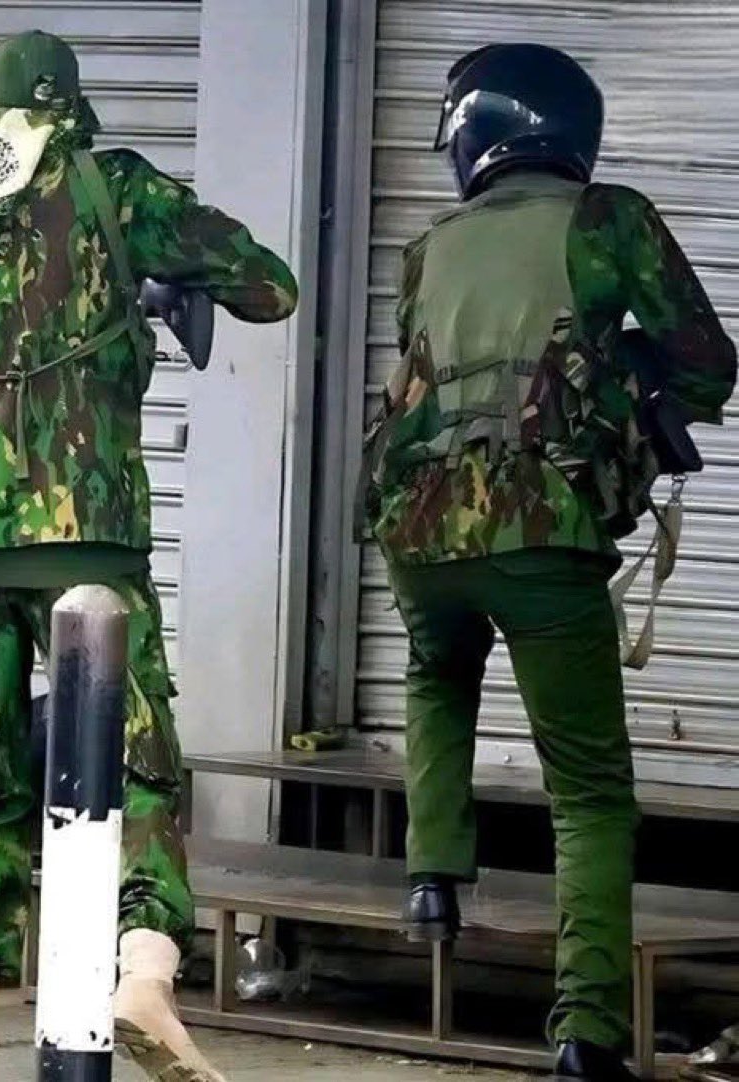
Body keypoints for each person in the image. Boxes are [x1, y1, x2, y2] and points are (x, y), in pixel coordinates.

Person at [0, 31, 297, 1082]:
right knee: (139, 759)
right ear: (69, 103)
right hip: (85, 530)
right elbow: (271, 286)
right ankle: (145, 975)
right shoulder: (115, 186)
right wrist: (149, 288)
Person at [358, 44, 736, 1082]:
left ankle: (432, 874)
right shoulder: (607, 219)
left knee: (437, 674)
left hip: (417, 530)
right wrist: (634, 377)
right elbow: (708, 363)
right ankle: (587, 1031)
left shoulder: (427, 245)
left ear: (480, 138)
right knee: (588, 792)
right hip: (541, 531)